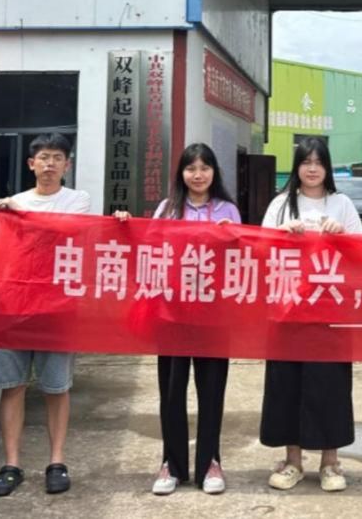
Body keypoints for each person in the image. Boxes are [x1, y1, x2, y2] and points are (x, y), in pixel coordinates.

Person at [0, 133, 91, 498]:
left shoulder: (77, 200)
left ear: (67, 165)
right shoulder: (11, 205)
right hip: (11, 308)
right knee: (12, 387)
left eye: (57, 158)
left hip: (57, 310)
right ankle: (11, 465)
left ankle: (57, 462)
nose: (50, 164)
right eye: (44, 157)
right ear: (31, 164)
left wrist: (17, 216)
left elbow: (65, 235)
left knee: (57, 388)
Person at [260, 136, 362, 492]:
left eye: (319, 162)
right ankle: (293, 461)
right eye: (306, 161)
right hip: (288, 309)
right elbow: (260, 249)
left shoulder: (342, 203)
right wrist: (280, 233)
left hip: (330, 310)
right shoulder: (280, 204)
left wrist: (342, 235)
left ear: (327, 167)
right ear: (297, 166)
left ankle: (330, 463)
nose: (313, 168)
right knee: (288, 383)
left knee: (330, 384)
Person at [149, 144, 241, 496]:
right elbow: (148, 248)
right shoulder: (167, 209)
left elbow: (242, 258)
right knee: (172, 392)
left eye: (204, 168)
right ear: (181, 173)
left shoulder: (228, 210)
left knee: (211, 391)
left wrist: (230, 237)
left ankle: (210, 463)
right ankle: (171, 465)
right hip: (172, 313)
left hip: (214, 315)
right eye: (191, 168)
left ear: (215, 172)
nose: (198, 175)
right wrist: (124, 224)